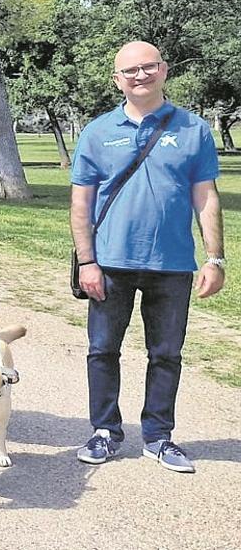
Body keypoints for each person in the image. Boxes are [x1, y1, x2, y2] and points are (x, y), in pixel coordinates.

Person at [71, 41, 224, 474]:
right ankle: (104, 431)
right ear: (117, 79)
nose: (141, 75)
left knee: (167, 353)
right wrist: (87, 261)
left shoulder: (194, 129)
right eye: (130, 70)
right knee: (102, 350)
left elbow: (206, 196)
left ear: (164, 69)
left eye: (148, 67)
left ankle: (158, 436)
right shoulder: (98, 131)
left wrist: (215, 258)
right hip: (110, 262)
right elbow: (81, 203)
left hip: (173, 264)